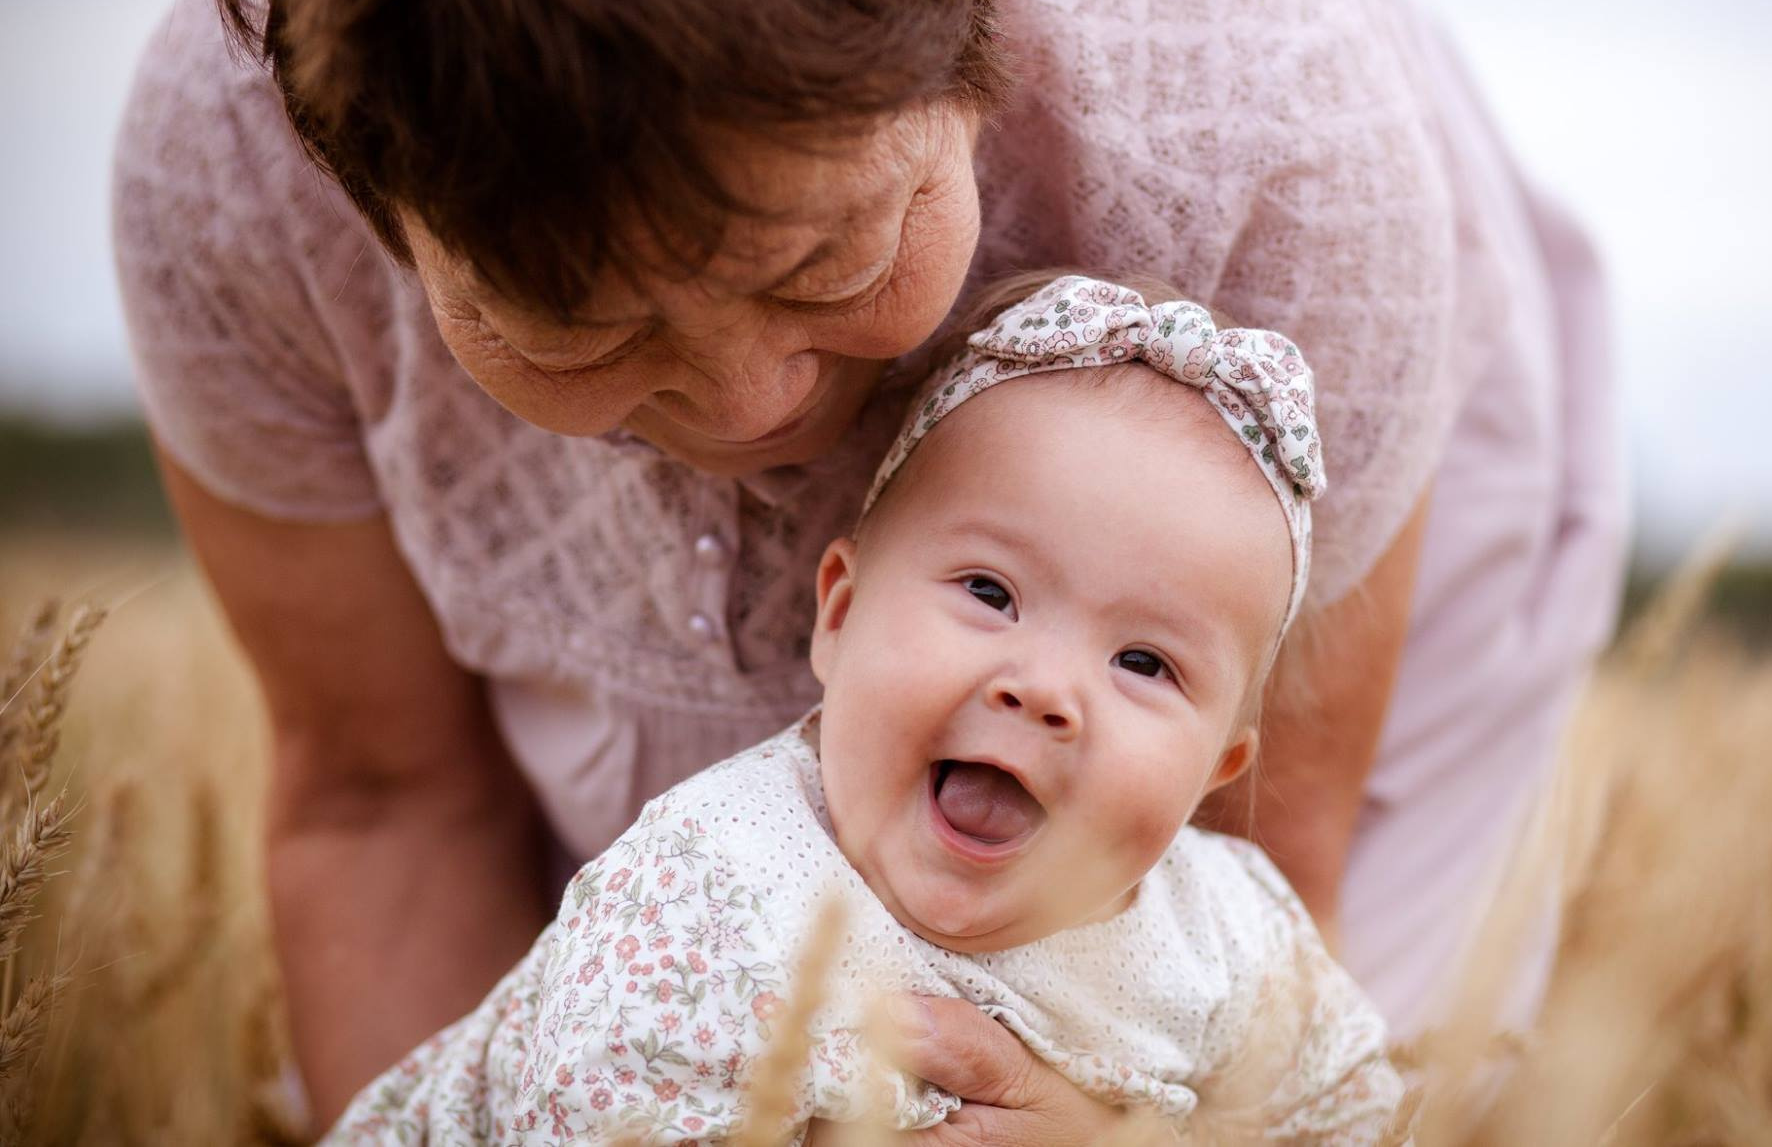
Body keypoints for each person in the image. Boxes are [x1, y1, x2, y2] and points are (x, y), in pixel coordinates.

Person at [112, 0, 1627, 1134]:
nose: (750, 409)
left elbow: (1264, 884)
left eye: (829, 258)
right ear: (375, 218)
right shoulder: (230, 179)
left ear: (971, 39)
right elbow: (387, 801)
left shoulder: (1277, 128)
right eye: (581, 328)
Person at [323, 273, 1407, 1144]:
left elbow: (1360, 1118)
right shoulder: (707, 901)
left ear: (1215, 771)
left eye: (1142, 662)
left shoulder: (1227, 939)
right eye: (990, 593)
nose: (1043, 689)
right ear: (838, 614)